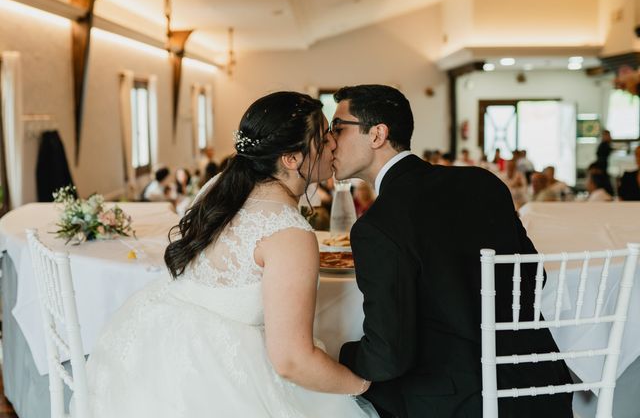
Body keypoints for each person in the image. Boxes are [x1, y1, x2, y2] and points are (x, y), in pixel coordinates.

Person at [85, 92, 377, 417]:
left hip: (156, 347)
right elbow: (292, 360)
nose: (334, 144)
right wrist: (361, 385)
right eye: (323, 139)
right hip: (220, 376)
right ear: (291, 159)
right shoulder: (289, 235)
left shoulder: (219, 186)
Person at [330, 84, 571, 418]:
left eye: (338, 129)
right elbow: (532, 278)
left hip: (457, 405)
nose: (329, 141)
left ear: (377, 135)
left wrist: (337, 353)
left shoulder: (377, 226)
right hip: (540, 385)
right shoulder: (482, 183)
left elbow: (388, 357)